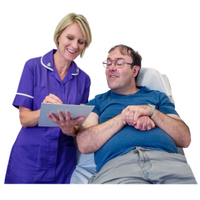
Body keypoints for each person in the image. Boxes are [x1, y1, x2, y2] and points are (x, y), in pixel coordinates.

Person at [76, 44, 197, 184]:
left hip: (169, 164)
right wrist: (125, 117)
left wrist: (151, 112)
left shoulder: (158, 97)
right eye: (108, 63)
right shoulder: (97, 102)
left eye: (119, 63)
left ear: (134, 71)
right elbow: (84, 144)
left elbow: (185, 138)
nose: (111, 68)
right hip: (118, 168)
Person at [5, 13, 92, 184]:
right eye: (70, 37)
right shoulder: (33, 67)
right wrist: (47, 110)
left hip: (63, 162)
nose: (74, 45)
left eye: (81, 42)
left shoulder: (84, 79)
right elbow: (24, 119)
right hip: (29, 158)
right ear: (59, 36)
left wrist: (70, 128)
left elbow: (79, 128)